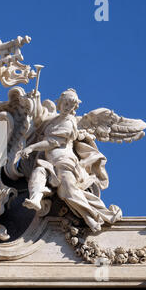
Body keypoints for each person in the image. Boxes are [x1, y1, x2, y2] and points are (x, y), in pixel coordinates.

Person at [21, 89, 121, 232]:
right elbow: (39, 121)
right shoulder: (54, 119)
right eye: (65, 103)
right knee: (38, 173)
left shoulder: (69, 122)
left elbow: (52, 142)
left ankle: (92, 217)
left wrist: (31, 148)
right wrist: (36, 99)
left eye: (71, 106)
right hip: (50, 162)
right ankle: (36, 199)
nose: (67, 107)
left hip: (64, 162)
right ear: (60, 102)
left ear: (74, 108)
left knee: (67, 193)